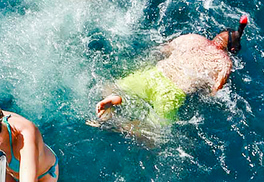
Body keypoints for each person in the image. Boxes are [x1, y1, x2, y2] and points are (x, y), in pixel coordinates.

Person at [95, 16, 248, 132]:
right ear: (233, 49)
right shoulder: (224, 62)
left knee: (110, 87)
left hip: (153, 74)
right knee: (154, 133)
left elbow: (162, 50)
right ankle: (114, 125)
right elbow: (214, 93)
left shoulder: (193, 38)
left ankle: (115, 100)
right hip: (171, 93)